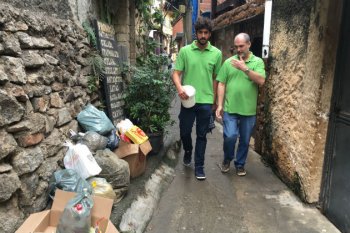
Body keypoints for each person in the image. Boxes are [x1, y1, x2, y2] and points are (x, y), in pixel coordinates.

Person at [172, 17, 222, 180]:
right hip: (188, 99)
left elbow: (216, 78)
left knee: (202, 135)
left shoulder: (216, 54)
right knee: (185, 131)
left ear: (209, 34)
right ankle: (188, 150)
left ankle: (199, 166)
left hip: (206, 101)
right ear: (196, 33)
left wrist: (215, 100)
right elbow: (176, 74)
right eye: (200, 32)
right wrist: (180, 89)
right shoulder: (185, 51)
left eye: (206, 33)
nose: (202, 35)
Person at [216, 33, 266, 176]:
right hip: (230, 109)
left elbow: (261, 81)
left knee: (244, 140)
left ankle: (240, 164)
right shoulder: (228, 62)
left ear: (249, 45)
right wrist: (219, 105)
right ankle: (227, 159)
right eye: (236, 46)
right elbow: (221, 83)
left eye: (241, 46)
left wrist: (245, 68)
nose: (238, 49)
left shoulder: (257, 62)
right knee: (230, 136)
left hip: (248, 111)